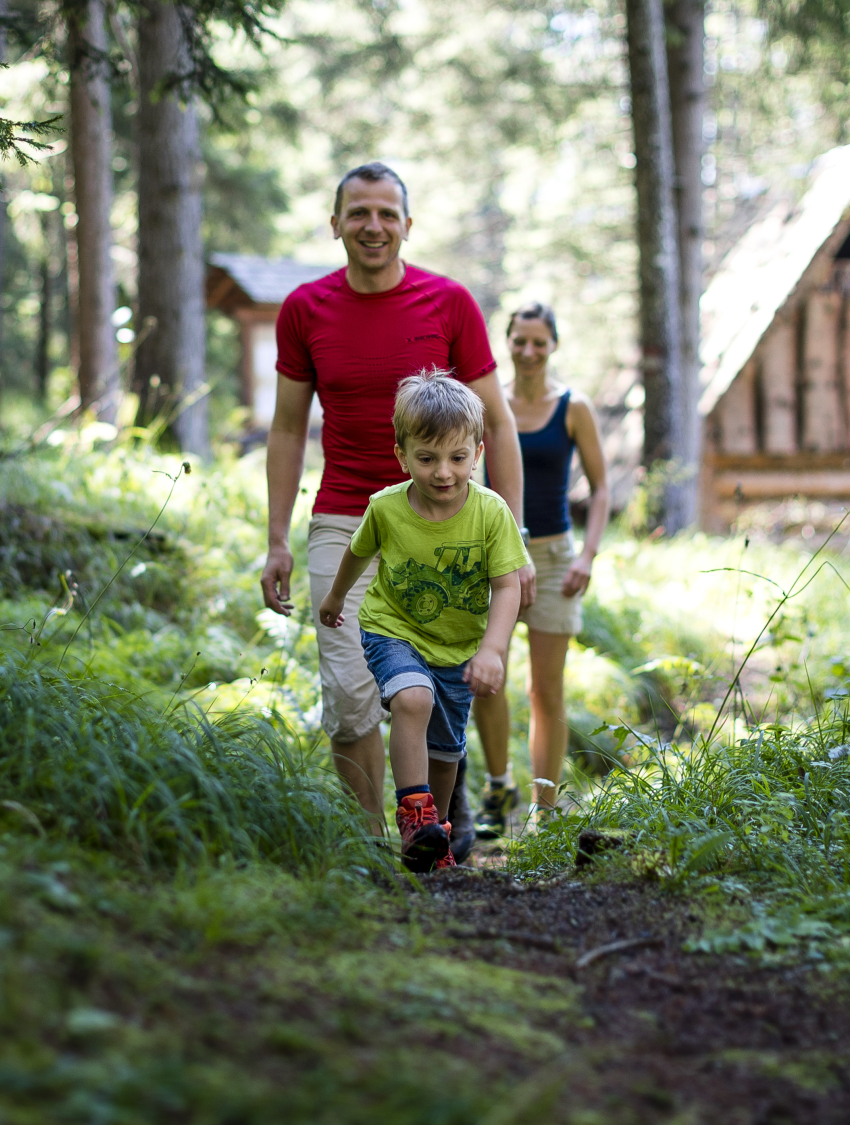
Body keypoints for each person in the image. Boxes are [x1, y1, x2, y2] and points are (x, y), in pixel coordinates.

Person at [260, 162, 533, 848]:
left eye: (387, 214)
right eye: (359, 213)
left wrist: (514, 536)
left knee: (439, 680)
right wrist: (276, 538)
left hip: (450, 524)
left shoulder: (450, 303)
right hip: (347, 516)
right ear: (336, 225)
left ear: (407, 225)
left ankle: (434, 828)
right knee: (351, 692)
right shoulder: (304, 309)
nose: (373, 226)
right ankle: (372, 844)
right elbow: (289, 427)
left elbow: (496, 424)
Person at [318, 371, 527, 871]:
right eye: (427, 459)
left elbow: (507, 585)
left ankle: (432, 840)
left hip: (458, 644)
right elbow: (355, 551)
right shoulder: (387, 508)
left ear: (477, 453)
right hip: (393, 628)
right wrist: (335, 597)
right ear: (402, 455)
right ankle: (414, 815)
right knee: (413, 697)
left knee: (447, 751)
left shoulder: (491, 513)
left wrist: (493, 649)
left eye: (457, 458)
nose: (443, 473)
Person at [472, 303, 611, 835]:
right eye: (519, 341)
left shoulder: (574, 408)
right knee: (487, 680)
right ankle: (498, 788)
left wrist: (587, 555)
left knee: (544, 691)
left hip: (555, 559)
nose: (528, 352)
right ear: (505, 342)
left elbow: (601, 491)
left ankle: (544, 810)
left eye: (539, 342)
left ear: (554, 346)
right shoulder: (486, 404)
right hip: (495, 556)